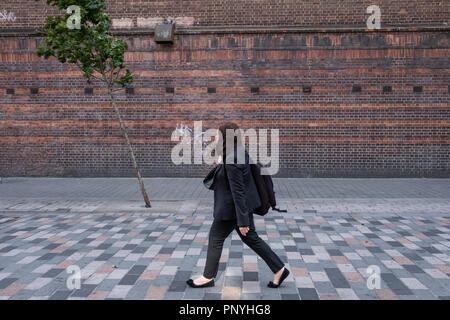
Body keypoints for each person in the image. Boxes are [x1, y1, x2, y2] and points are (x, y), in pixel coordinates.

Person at [186, 122, 290, 288]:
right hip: (241, 207)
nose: (216, 137)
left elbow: (238, 191)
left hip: (232, 210)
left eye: (219, 134)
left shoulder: (232, 159)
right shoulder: (237, 153)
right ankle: (279, 269)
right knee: (252, 239)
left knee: (216, 238)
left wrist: (242, 221)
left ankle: (207, 277)